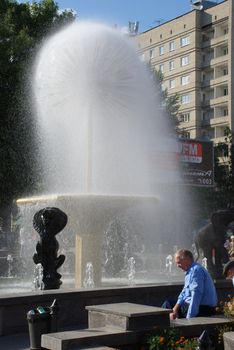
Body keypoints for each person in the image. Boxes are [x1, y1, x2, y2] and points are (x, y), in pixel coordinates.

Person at [163, 249, 217, 319]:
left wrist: (189, 319)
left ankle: (160, 328)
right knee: (168, 304)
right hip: (198, 306)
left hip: (203, 309)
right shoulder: (190, 271)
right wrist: (175, 309)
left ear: (187, 259)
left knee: (167, 306)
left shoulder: (196, 271)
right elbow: (184, 293)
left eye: (179, 263)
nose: (177, 266)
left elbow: (196, 296)